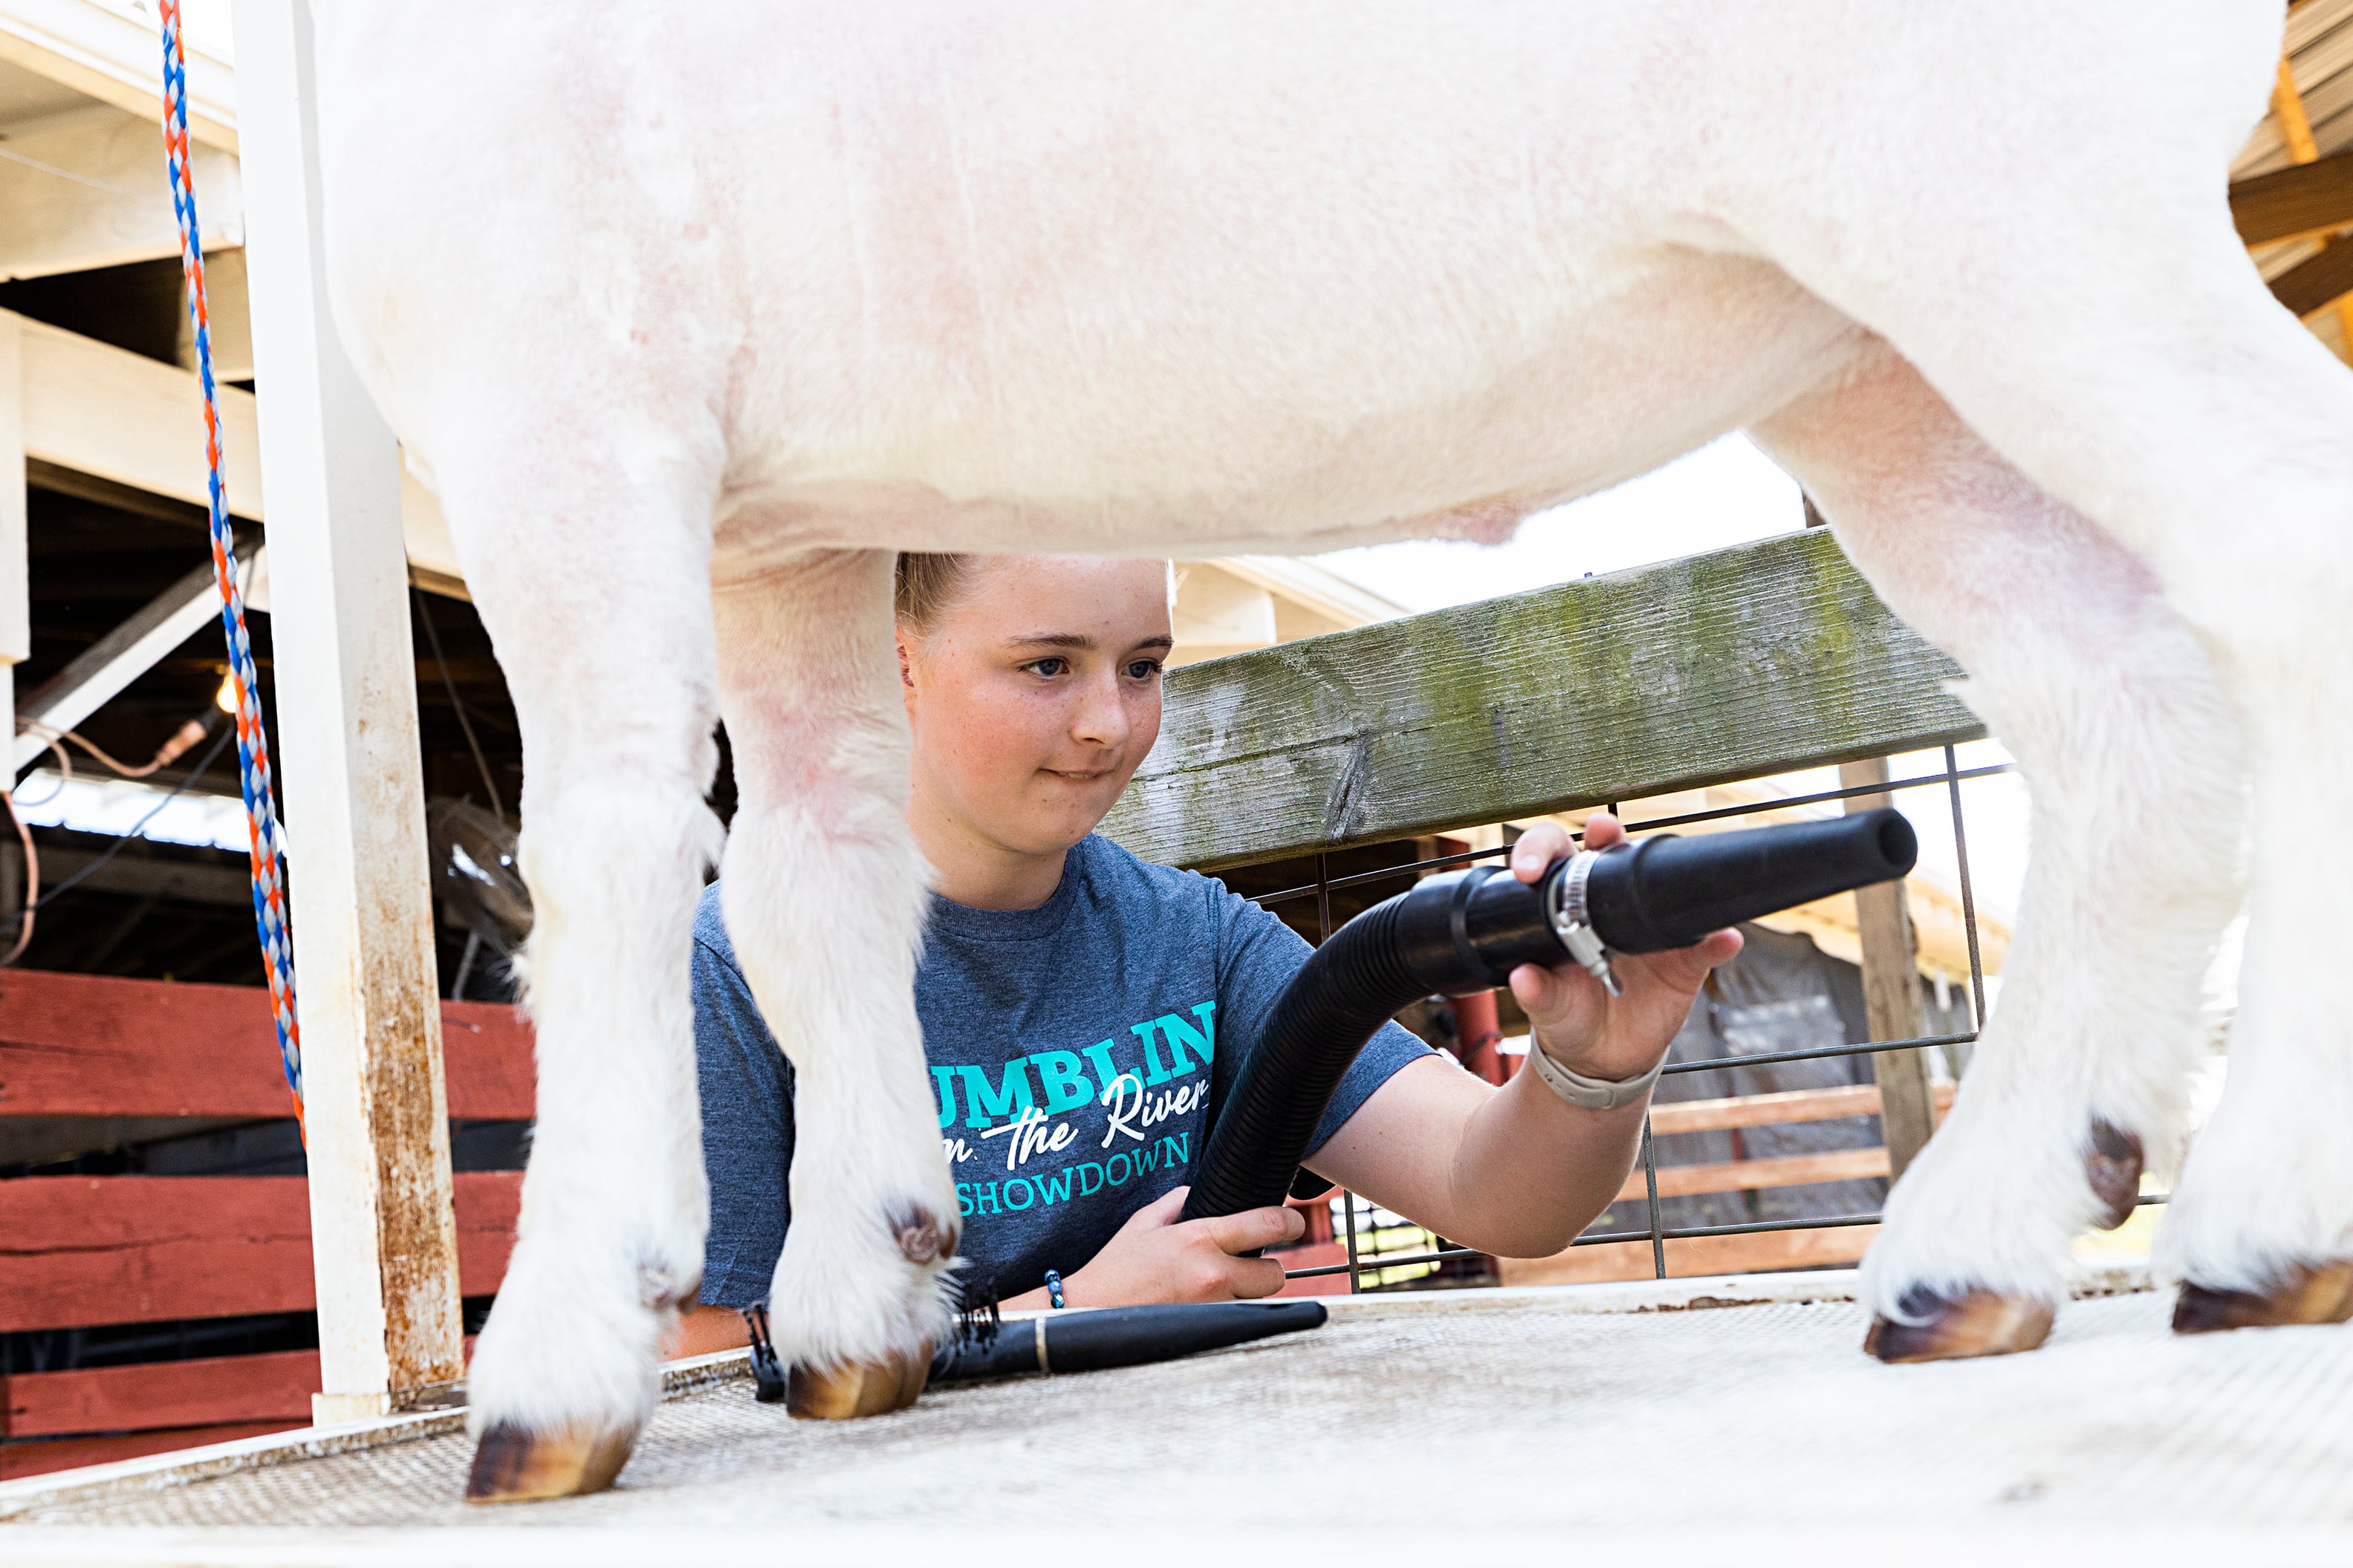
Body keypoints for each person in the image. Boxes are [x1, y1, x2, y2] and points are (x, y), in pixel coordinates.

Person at [686, 553, 1739, 1333]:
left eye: (1141, 667)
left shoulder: (1196, 938)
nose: (1110, 723)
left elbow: (1497, 1193)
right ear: (891, 663)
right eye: (1048, 665)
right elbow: (701, 1367)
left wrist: (1595, 1067)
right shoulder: (740, 964)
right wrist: (1064, 1314)